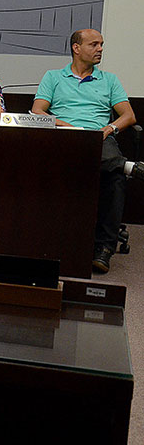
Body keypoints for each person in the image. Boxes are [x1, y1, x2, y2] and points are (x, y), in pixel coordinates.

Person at [32, 29, 144, 273]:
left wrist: (109, 128)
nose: (100, 49)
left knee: (114, 180)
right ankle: (125, 165)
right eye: (94, 44)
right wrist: (69, 127)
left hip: (99, 137)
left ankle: (103, 248)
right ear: (76, 47)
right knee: (115, 167)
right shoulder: (53, 77)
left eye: (102, 44)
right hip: (64, 137)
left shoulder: (109, 80)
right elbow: (38, 110)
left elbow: (129, 115)